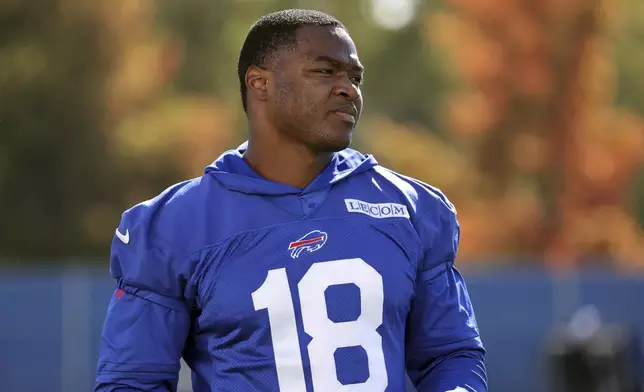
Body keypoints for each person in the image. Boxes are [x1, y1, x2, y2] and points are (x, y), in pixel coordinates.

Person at [95, 9, 487, 392]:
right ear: (260, 83)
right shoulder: (174, 225)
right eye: (324, 71)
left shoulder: (411, 208)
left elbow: (449, 354)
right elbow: (133, 381)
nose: (348, 88)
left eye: (354, 77)